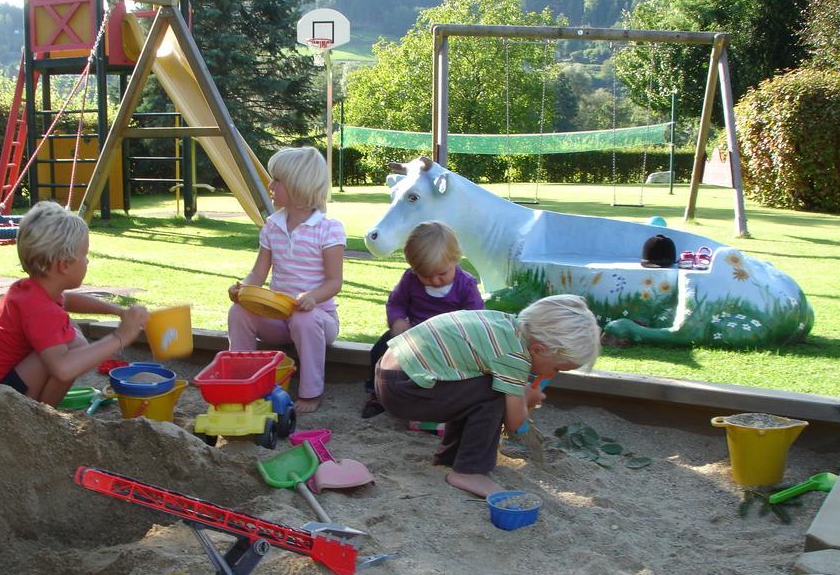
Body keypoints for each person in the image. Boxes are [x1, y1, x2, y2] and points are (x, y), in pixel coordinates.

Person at [374, 295, 601, 498]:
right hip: (405, 388)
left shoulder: (506, 324)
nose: (552, 375)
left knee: (477, 390)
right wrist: (525, 398)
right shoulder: (514, 355)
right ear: (538, 349)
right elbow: (515, 422)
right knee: (494, 392)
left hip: (391, 373)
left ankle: (451, 458)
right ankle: (469, 471)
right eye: (557, 369)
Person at [0, 200, 149, 406]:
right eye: (84, 255)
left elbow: (68, 300)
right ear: (64, 265)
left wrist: (117, 311)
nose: (87, 261)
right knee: (69, 351)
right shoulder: (41, 309)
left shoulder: (30, 290)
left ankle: (42, 412)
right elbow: (63, 369)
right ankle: (43, 416)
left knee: (71, 337)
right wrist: (121, 336)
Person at [228, 146, 345, 414]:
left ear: (297, 186)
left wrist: (313, 298)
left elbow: (334, 281)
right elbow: (259, 273)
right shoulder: (272, 225)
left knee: (305, 318)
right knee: (239, 312)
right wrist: (243, 290)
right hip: (277, 317)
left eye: (277, 180)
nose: (270, 185)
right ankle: (241, 379)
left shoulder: (328, 229)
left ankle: (311, 391)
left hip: (318, 319)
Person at [362, 221, 484, 418]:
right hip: (413, 333)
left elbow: (476, 317)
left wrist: (463, 337)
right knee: (380, 350)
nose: (435, 280)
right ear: (414, 269)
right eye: (426, 276)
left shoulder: (466, 285)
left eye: (442, 274)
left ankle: (445, 401)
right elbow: (396, 303)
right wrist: (398, 321)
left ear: (456, 259)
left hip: (449, 339)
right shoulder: (410, 279)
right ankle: (376, 393)